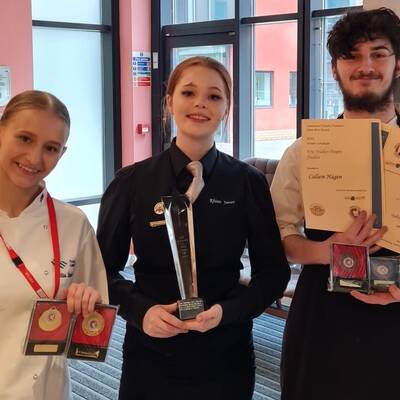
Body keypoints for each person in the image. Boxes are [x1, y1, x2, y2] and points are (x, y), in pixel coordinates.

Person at [97, 56, 290, 400]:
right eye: (188, 92)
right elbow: (102, 272)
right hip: (151, 354)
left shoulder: (247, 183)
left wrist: (226, 312)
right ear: (169, 102)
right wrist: (142, 312)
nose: (200, 103)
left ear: (227, 108)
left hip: (226, 352)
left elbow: (273, 273)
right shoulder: (132, 182)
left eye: (214, 96)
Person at [271, 8, 400, 400]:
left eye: (378, 53)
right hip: (323, 314)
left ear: (398, 63)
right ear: (334, 69)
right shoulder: (304, 151)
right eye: (351, 56)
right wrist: (324, 250)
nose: (366, 66)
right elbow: (278, 235)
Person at [0, 90, 109, 400]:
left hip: (44, 391)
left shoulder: (73, 224)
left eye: (50, 148)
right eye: (24, 138)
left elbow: (91, 335)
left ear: (62, 154)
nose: (35, 158)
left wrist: (85, 307)